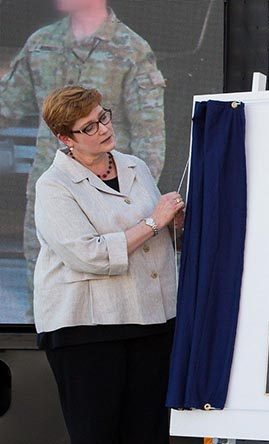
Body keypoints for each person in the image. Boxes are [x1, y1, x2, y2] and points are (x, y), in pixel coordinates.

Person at [33, 86, 181, 444]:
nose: (103, 128)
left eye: (103, 116)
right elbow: (89, 254)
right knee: (97, 434)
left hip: (151, 320)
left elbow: (154, 235)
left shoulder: (136, 166)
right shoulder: (53, 185)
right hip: (86, 328)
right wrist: (154, 223)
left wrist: (175, 224)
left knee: (150, 434)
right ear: (65, 138)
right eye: (89, 126)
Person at [0, 0, 166, 301]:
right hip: (53, 198)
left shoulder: (131, 49)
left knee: (116, 294)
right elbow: (6, 106)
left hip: (114, 201)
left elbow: (150, 137)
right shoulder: (41, 43)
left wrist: (142, 202)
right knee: (45, 292)